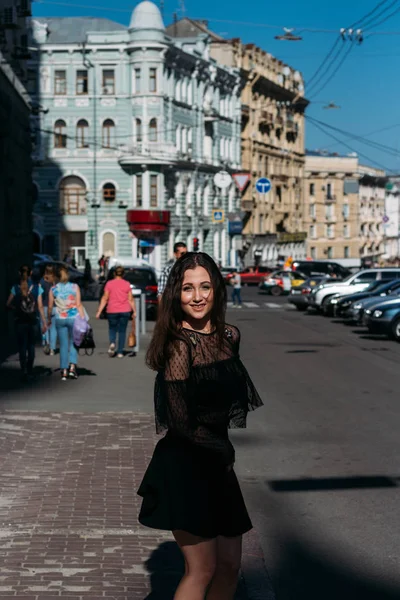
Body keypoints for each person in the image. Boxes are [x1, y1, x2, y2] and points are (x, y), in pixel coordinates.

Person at [138, 252, 263, 600]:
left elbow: (230, 397)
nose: (197, 296)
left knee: (229, 567)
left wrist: (223, 454)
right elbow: (180, 424)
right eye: (188, 288)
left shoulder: (229, 336)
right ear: (176, 294)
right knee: (202, 569)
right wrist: (223, 450)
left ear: (216, 289)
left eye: (205, 286)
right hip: (186, 465)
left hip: (218, 467)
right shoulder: (180, 346)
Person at [6, 265, 47, 380]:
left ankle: (23, 370)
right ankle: (30, 370)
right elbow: (39, 306)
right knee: (31, 346)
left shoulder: (15, 287)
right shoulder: (37, 287)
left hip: (19, 321)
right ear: (31, 274)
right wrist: (44, 322)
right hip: (33, 321)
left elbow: (7, 304)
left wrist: (15, 308)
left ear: (19, 274)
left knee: (22, 347)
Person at [48, 265, 86, 381]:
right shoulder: (75, 287)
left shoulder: (53, 289)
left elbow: (50, 306)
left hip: (60, 318)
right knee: (74, 343)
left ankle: (64, 371)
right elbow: (79, 304)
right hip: (73, 318)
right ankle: (72, 368)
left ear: (57, 277)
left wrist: (49, 318)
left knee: (63, 345)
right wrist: (83, 319)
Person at [95, 265, 137, 358]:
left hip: (112, 310)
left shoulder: (109, 284)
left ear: (114, 273)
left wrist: (99, 311)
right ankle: (120, 352)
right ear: (123, 274)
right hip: (125, 310)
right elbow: (130, 299)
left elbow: (105, 298)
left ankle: (112, 342)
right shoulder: (126, 284)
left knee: (112, 328)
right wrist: (134, 311)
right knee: (122, 331)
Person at [40, 265, 58, 355]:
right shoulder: (54, 281)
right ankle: (52, 349)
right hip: (55, 307)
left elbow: (40, 296)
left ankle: (46, 344)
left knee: (45, 326)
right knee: (54, 328)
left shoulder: (42, 282)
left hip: (45, 307)